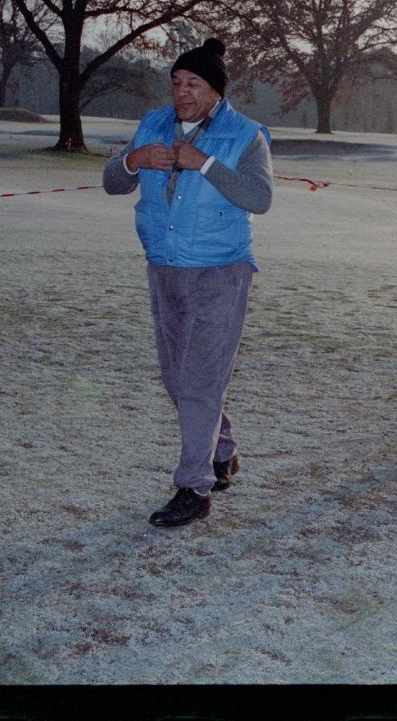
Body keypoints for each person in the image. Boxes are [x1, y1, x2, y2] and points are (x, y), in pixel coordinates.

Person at [103, 38, 273, 528]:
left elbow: (259, 198)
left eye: (193, 83)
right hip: (164, 267)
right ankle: (221, 448)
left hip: (220, 272)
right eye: (176, 82)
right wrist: (133, 162)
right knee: (178, 378)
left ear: (215, 90)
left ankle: (194, 487)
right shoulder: (152, 125)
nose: (182, 92)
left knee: (199, 380)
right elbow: (114, 181)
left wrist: (205, 163)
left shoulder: (244, 135)